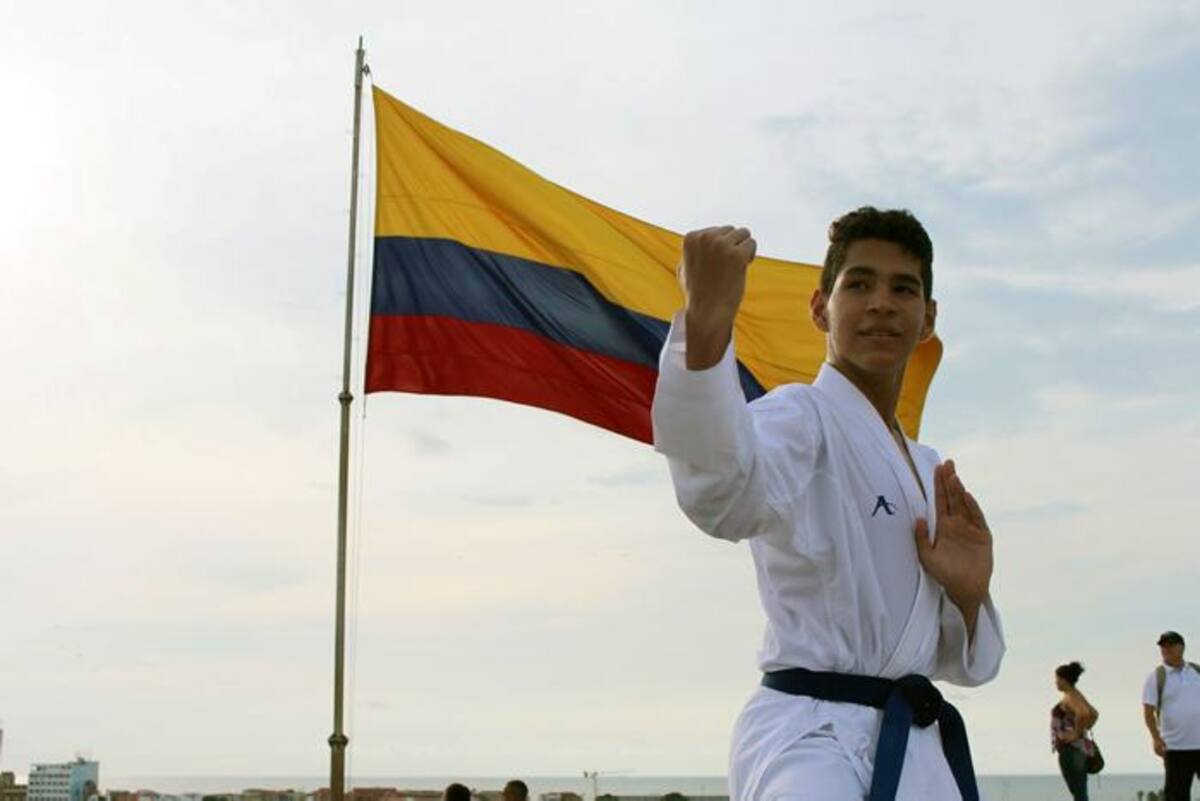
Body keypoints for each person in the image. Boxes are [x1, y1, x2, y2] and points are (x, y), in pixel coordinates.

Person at [652, 208, 1005, 801]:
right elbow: (723, 498)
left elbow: (964, 665)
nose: (882, 303)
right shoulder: (799, 418)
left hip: (915, 746)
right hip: (811, 738)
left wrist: (969, 597)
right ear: (820, 307)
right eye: (859, 284)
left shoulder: (926, 466)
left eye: (904, 289)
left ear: (928, 318)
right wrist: (707, 321)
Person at [1142, 631, 1200, 801]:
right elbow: (1148, 711)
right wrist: (1156, 738)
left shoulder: (1196, 672)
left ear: (1181, 647)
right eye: (1163, 646)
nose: (1166, 649)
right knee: (1177, 795)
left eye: (1170, 645)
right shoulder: (1156, 677)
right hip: (1175, 747)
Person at [1051, 661, 1099, 801]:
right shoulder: (1076, 694)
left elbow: (1084, 713)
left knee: (1079, 793)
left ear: (1064, 680)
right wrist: (1084, 728)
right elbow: (1094, 714)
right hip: (1078, 749)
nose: (1055, 682)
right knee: (1080, 792)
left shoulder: (1070, 697)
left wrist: (1075, 734)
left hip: (1071, 750)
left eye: (1057, 679)